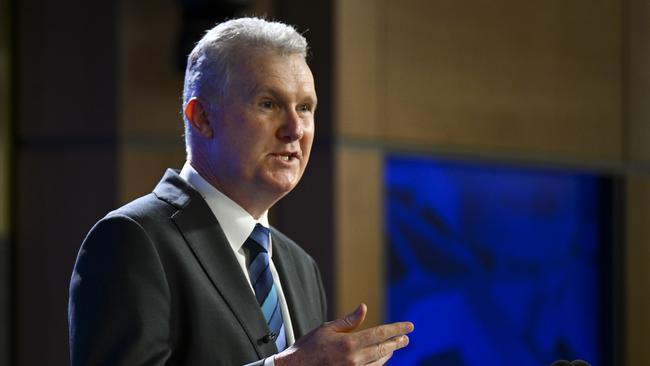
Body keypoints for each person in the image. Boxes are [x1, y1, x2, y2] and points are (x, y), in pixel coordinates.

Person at [68, 17, 413, 365]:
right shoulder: (131, 239)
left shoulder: (300, 265)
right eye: (269, 103)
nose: (294, 129)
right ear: (201, 117)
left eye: (305, 107)